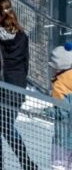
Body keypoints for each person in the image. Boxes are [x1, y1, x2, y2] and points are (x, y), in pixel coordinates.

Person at [0, 0, 38, 170]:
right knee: (7, 126)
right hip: (16, 91)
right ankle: (26, 162)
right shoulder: (22, 37)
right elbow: (25, 65)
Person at [51, 42, 72, 170]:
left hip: (62, 138)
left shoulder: (59, 85)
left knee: (58, 165)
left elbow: (62, 111)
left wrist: (47, 111)